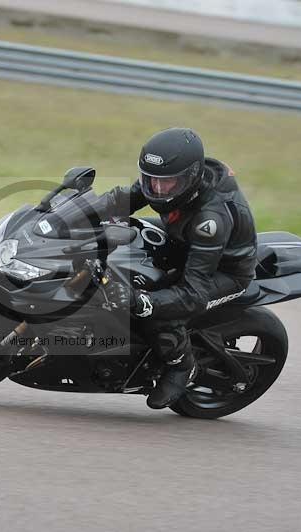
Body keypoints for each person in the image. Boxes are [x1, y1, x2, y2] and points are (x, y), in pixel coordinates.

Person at [95, 127, 258, 409]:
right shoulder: (168, 180)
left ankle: (182, 366)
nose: (157, 189)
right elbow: (121, 200)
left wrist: (142, 301)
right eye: (151, 180)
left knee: (155, 309)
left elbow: (192, 294)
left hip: (225, 271)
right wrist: (71, 214)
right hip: (185, 242)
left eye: (166, 183)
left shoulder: (210, 220)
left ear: (190, 177)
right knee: (116, 237)